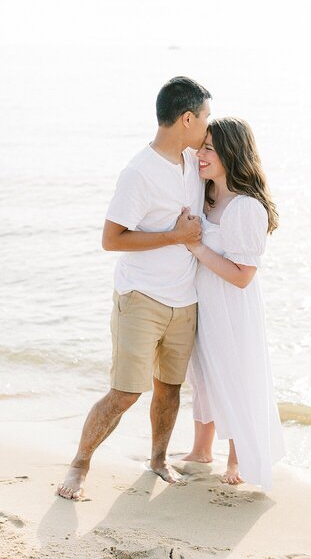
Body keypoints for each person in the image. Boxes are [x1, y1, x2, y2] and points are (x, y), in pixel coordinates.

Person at [57, 76, 212, 500]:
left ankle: (158, 460)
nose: (207, 127)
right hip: (141, 296)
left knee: (169, 389)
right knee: (125, 392)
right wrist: (174, 236)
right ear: (186, 118)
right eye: (204, 118)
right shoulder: (139, 173)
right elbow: (112, 239)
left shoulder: (191, 163)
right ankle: (79, 464)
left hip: (186, 299)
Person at [184, 117, 285, 491]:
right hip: (204, 303)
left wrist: (195, 246)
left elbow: (243, 275)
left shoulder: (246, 207)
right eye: (201, 146)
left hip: (232, 307)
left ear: (231, 152)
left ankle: (238, 456)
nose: (200, 154)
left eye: (209, 148)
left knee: (235, 375)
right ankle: (200, 451)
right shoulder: (205, 196)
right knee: (204, 376)